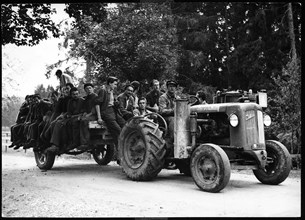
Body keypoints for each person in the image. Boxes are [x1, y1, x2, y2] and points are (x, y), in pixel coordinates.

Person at [47, 87, 84, 153]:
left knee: (67, 124)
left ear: (79, 93)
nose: (75, 95)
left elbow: (84, 112)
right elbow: (69, 112)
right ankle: (56, 144)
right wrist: (66, 116)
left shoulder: (82, 101)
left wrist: (77, 116)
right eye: (73, 94)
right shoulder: (70, 101)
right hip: (71, 117)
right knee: (58, 123)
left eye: (76, 94)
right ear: (71, 95)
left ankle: (71, 143)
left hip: (78, 117)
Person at [94, 76, 126, 146]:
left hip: (113, 111)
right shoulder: (103, 91)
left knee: (124, 124)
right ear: (110, 83)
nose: (116, 86)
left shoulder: (112, 91)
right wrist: (99, 117)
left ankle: (124, 145)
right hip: (105, 111)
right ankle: (119, 147)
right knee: (117, 129)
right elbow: (97, 104)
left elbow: (112, 102)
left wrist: (116, 102)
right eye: (115, 84)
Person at [158, 80, 178, 156]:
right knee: (173, 120)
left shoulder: (177, 98)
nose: (172, 88)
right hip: (165, 119)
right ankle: (173, 138)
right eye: (170, 86)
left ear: (176, 88)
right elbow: (162, 110)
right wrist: (173, 110)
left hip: (175, 117)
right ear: (167, 88)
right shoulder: (163, 97)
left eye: (173, 87)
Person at [78, 83, 98, 148]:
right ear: (85, 90)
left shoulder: (95, 97)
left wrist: (88, 114)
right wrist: (84, 113)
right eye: (86, 89)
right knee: (79, 120)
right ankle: (78, 141)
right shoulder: (86, 98)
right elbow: (85, 108)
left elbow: (95, 109)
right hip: (89, 115)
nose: (88, 90)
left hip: (95, 115)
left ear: (93, 88)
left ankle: (85, 143)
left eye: (90, 88)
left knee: (84, 121)